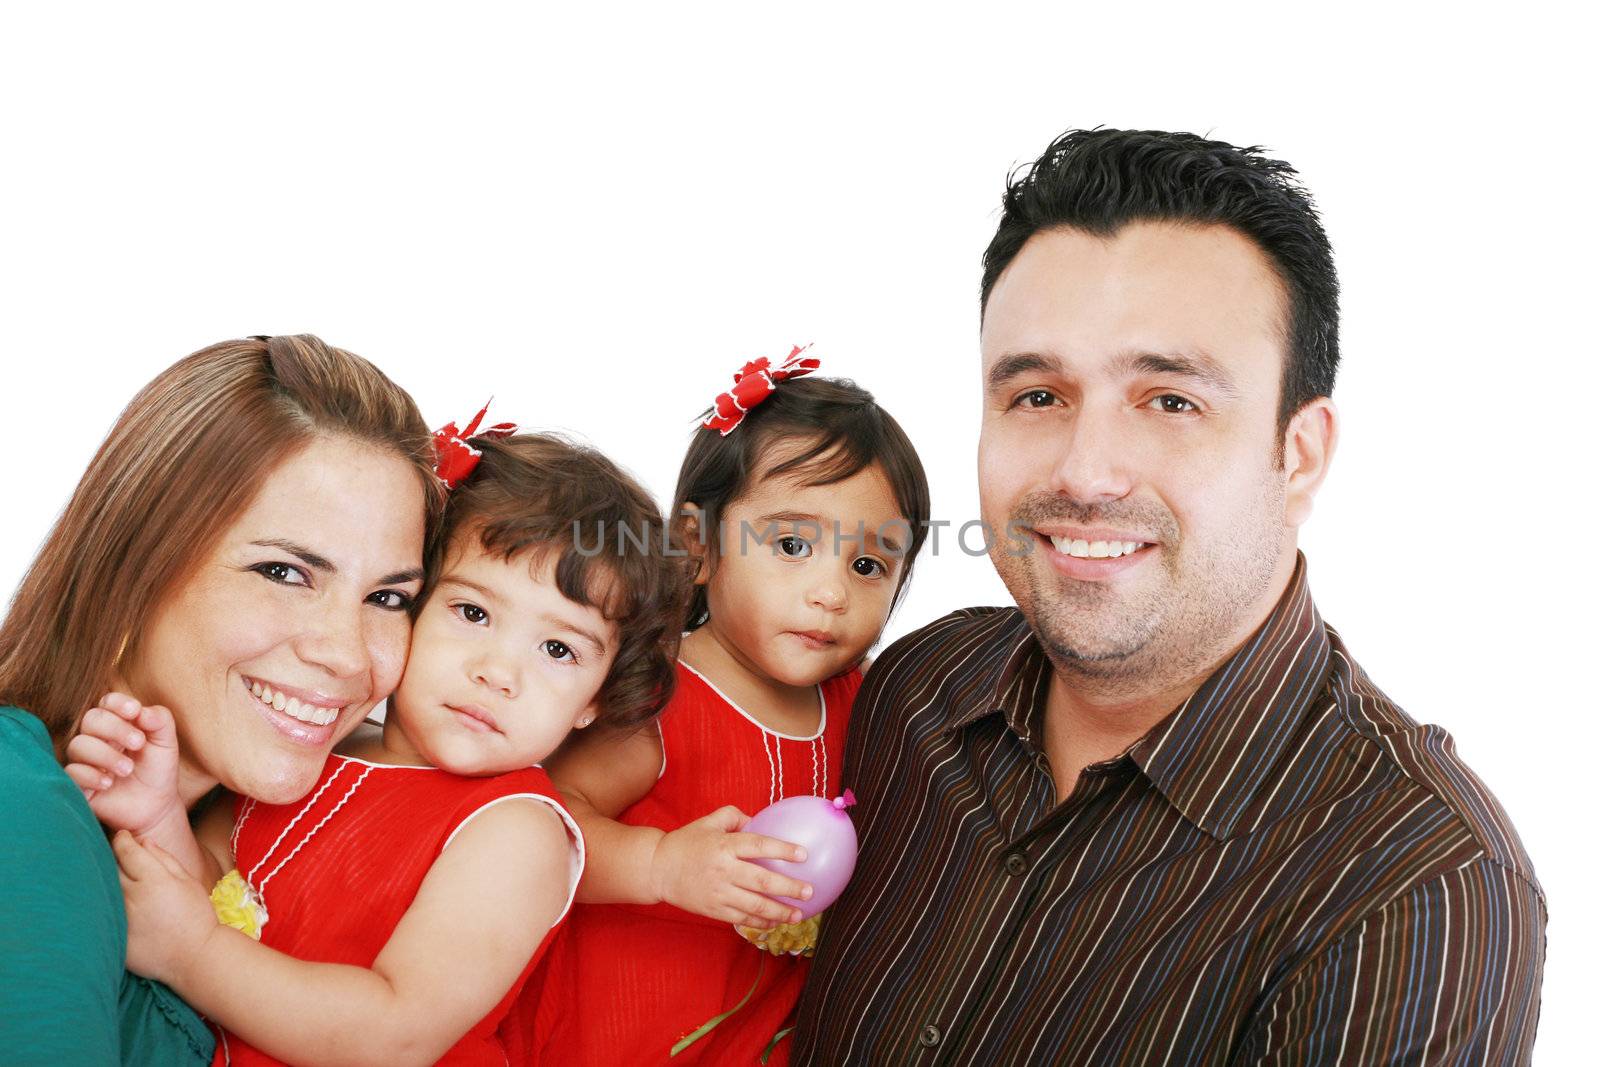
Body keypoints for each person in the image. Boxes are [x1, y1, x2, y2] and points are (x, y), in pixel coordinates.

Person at [794, 129, 1546, 1064]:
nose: (1086, 470)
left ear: (1298, 453)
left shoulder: (1417, 887)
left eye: (1170, 400)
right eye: (1037, 395)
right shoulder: (915, 687)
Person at [68, 430, 686, 1066]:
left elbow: (395, 1034)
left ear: (595, 700)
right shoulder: (314, 746)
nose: (498, 672)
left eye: (558, 650)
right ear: (407, 607)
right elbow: (222, 897)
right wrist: (158, 814)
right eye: (473, 613)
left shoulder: (515, 831)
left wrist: (193, 953)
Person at [0, 335, 440, 1065]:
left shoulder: (259, 874)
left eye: (388, 596)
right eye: (284, 571)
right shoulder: (21, 806)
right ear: (135, 563)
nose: (347, 653)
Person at [531, 351, 930, 1064]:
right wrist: (660, 865)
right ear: (699, 546)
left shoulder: (866, 702)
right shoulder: (660, 696)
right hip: (614, 1035)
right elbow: (544, 829)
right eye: (792, 543)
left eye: (867, 565)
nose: (831, 591)